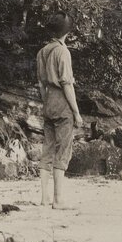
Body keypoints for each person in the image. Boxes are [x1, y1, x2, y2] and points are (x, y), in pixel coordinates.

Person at [36, 11, 84, 209]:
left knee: (47, 150)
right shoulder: (63, 51)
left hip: (48, 103)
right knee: (62, 151)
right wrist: (76, 112)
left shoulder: (42, 51)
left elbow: (40, 83)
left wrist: (46, 101)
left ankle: (44, 198)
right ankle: (58, 200)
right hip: (62, 103)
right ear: (67, 32)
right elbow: (67, 84)